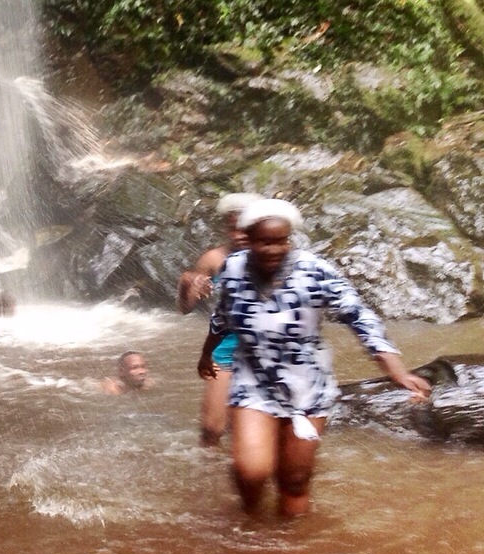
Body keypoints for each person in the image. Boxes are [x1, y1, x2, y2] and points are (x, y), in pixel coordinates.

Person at [197, 198, 431, 517]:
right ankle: (249, 525)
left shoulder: (314, 270)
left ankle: (291, 549)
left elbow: (358, 315)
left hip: (306, 383)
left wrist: (396, 370)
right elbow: (223, 315)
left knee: (294, 479)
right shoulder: (234, 268)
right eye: (266, 242)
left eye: (282, 241)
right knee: (251, 471)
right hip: (254, 380)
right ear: (249, 240)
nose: (275, 249)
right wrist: (206, 352)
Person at [178, 192, 262, 446]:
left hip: (267, 349)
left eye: (244, 229)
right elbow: (185, 308)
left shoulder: (272, 255)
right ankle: (209, 479)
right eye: (231, 228)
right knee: (211, 430)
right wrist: (187, 284)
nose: (237, 235)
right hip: (225, 347)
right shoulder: (213, 259)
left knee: (256, 429)